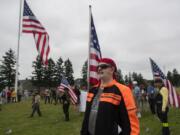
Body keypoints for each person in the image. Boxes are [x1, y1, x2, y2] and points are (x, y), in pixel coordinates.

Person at [81, 58, 140, 135]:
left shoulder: (123, 90)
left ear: (112, 69)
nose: (99, 68)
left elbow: (131, 121)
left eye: (103, 66)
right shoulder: (92, 90)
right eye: (98, 67)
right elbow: (87, 116)